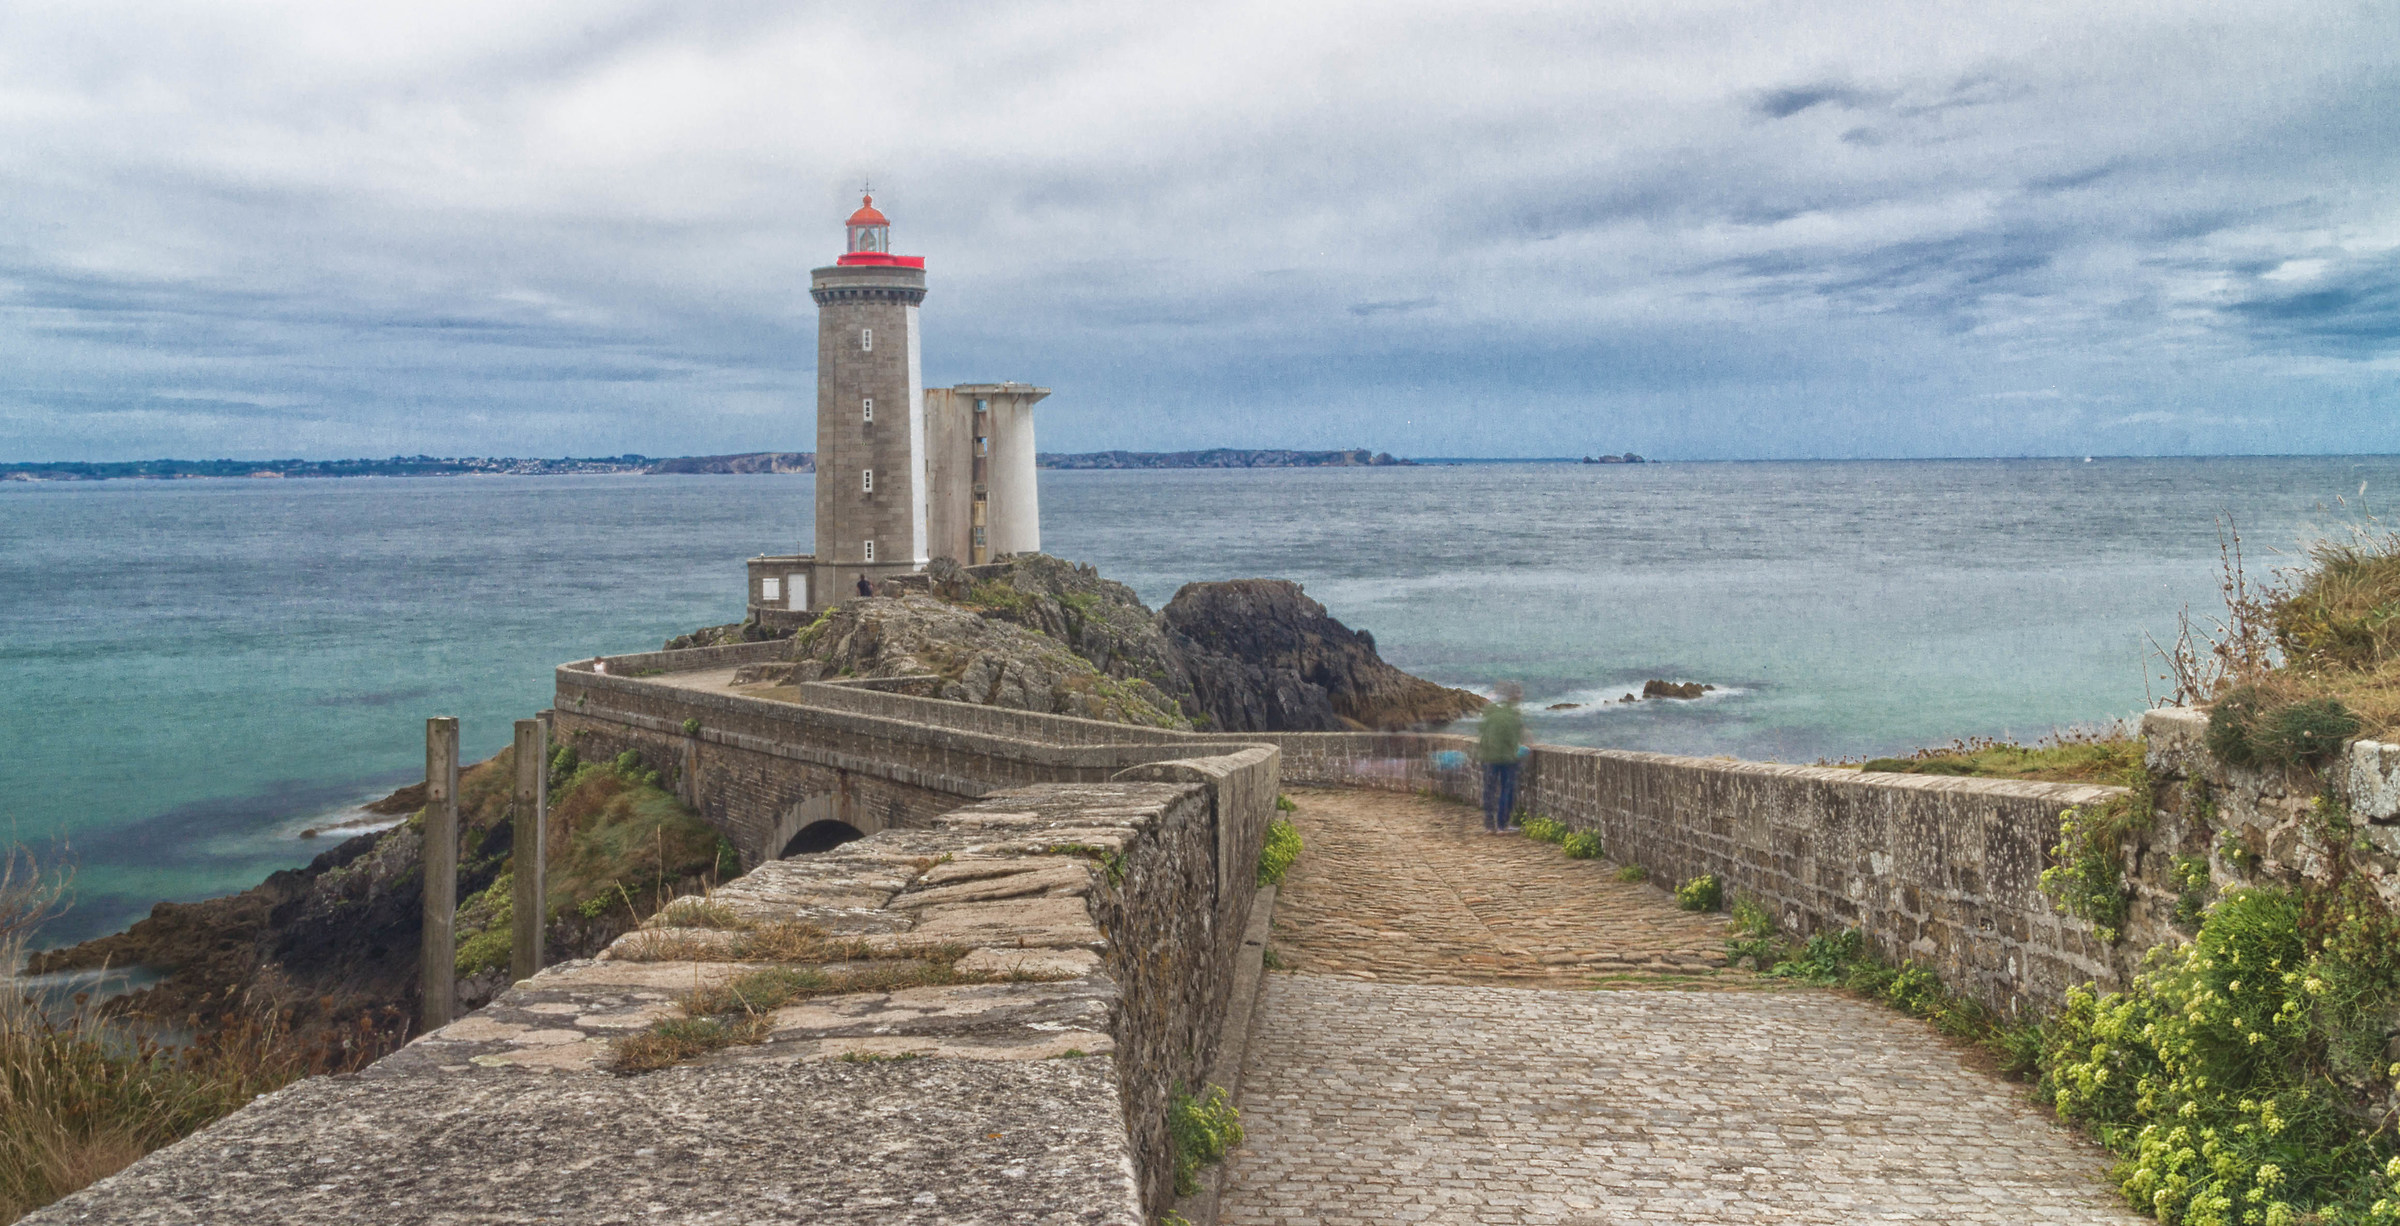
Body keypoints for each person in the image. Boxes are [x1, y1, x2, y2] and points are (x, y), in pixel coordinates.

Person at [1477, 681, 1525, 833]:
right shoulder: (1512, 715)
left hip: (1488, 757)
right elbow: (1514, 739)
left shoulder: (1491, 714)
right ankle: (1502, 825)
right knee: (1506, 790)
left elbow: (1481, 729)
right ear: (1513, 697)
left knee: (1489, 790)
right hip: (1507, 758)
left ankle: (1489, 825)